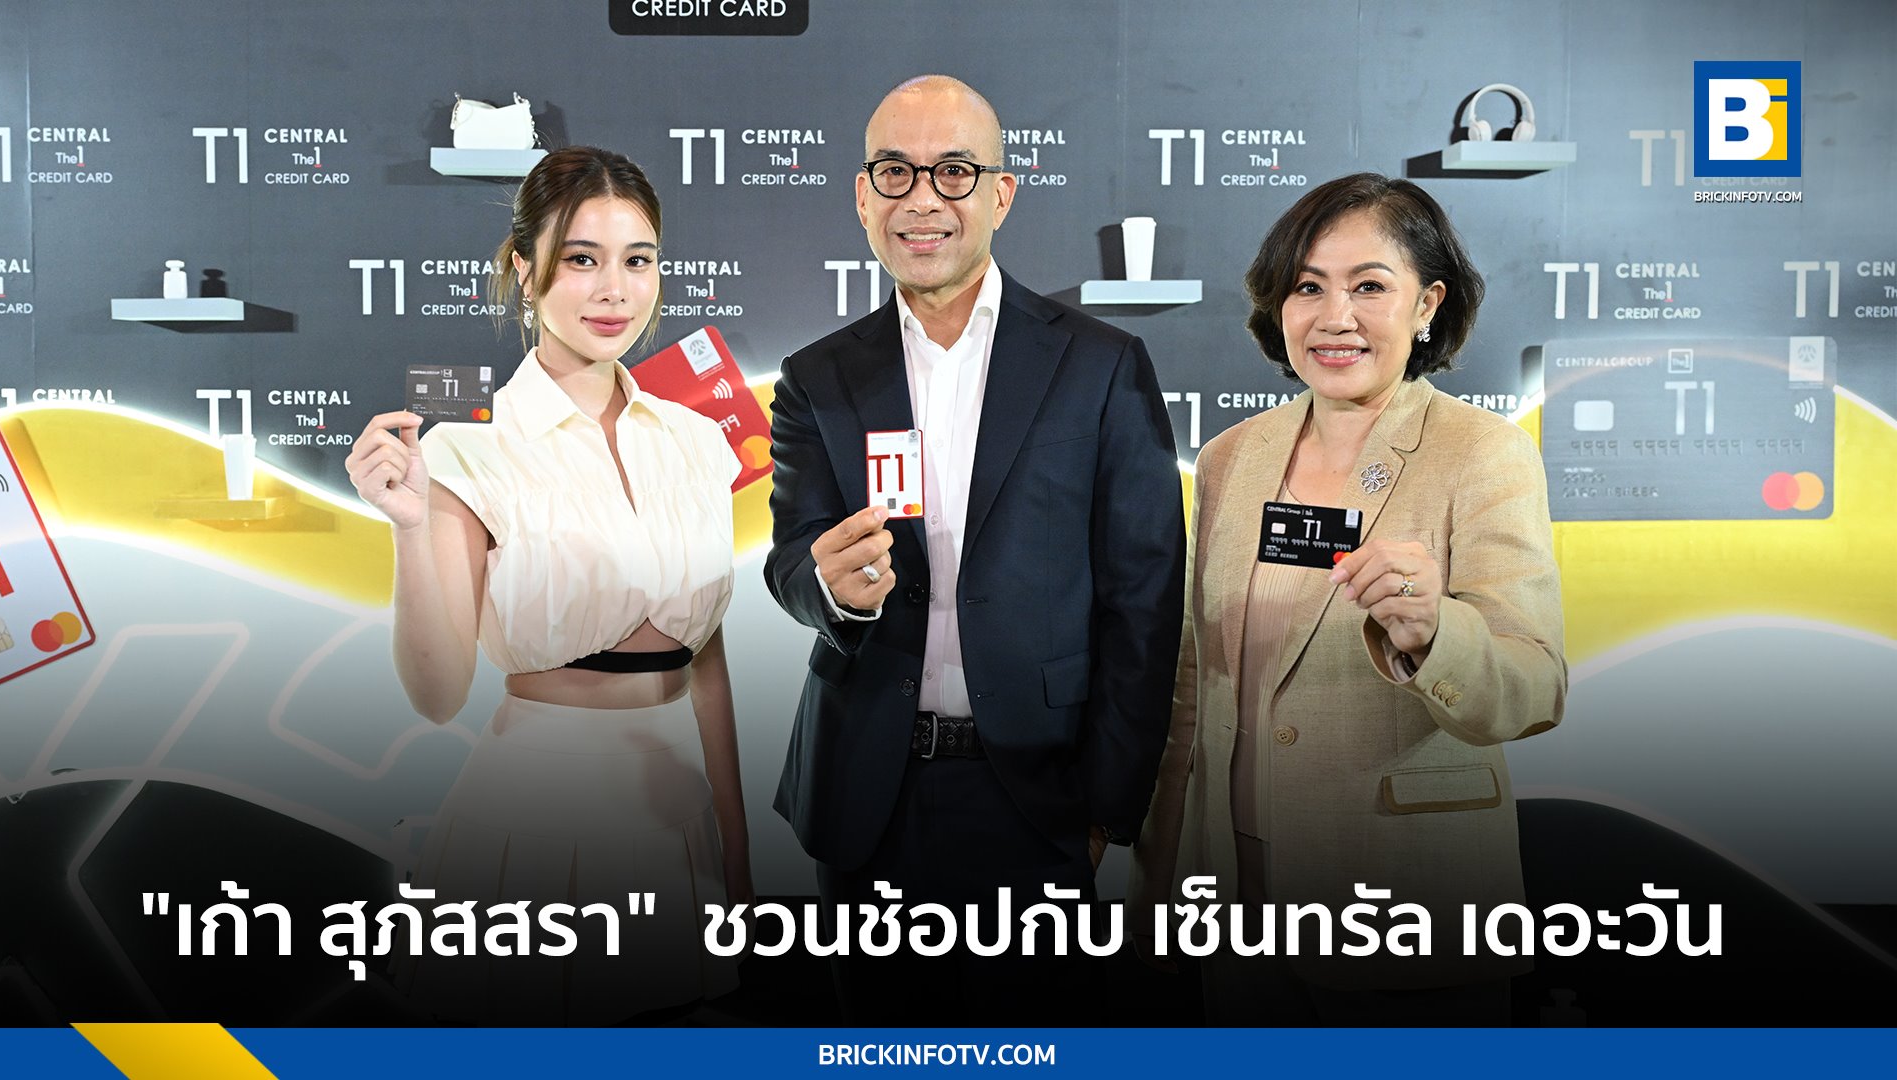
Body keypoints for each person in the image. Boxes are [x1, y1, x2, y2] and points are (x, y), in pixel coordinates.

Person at [763, 75, 1185, 1024]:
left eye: (954, 171)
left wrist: (1108, 806)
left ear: (1001, 193)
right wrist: (830, 589)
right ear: (862, 196)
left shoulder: (1100, 364)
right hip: (865, 797)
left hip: (1040, 796)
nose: (924, 199)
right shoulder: (817, 376)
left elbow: (1145, 599)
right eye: (896, 172)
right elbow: (791, 560)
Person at [1126, 173, 1566, 1026]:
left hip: (1404, 900)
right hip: (1233, 897)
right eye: (1308, 287)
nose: (1336, 317)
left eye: (1369, 286)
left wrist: (1435, 632)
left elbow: (1533, 686)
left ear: (1427, 303)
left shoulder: (1482, 453)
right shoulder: (1230, 459)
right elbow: (1192, 683)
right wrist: (1158, 882)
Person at [344, 146, 750, 1024]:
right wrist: (410, 530)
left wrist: (738, 848)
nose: (614, 291)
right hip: (531, 819)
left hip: (680, 817)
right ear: (524, 270)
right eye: (582, 259)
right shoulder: (467, 451)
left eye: (637, 261)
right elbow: (438, 697)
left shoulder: (696, 442)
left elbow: (707, 665)